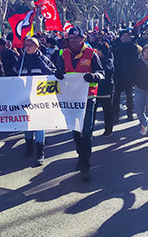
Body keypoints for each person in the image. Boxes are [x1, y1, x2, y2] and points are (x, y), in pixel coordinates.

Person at [54, 26, 105, 181]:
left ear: (83, 39)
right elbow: (58, 71)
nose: (73, 40)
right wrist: (58, 74)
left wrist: (94, 76)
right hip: (71, 100)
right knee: (76, 131)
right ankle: (81, 154)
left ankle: (85, 165)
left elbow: (102, 73)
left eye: (76, 38)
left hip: (88, 99)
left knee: (87, 132)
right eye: (70, 38)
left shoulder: (91, 54)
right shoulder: (64, 54)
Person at [17, 36, 56, 165]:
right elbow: (12, 77)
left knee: (39, 124)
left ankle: (40, 151)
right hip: (24, 98)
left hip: (40, 99)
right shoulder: (20, 61)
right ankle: (29, 146)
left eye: (31, 44)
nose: (27, 46)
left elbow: (53, 74)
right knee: (27, 124)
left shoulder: (44, 59)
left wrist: (42, 64)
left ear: (37, 47)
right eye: (26, 44)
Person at [112, 30, 139, 121]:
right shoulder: (115, 46)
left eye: (127, 36)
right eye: (124, 35)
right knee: (116, 96)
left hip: (129, 76)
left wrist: (134, 75)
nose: (125, 37)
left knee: (129, 96)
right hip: (118, 75)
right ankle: (115, 114)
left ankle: (130, 113)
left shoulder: (133, 47)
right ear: (120, 37)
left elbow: (136, 62)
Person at [94, 42, 115, 138]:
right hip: (95, 89)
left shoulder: (108, 59)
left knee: (107, 111)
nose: (97, 52)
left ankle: (108, 130)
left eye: (98, 51)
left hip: (106, 89)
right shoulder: (94, 59)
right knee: (91, 112)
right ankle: (89, 129)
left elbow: (107, 70)